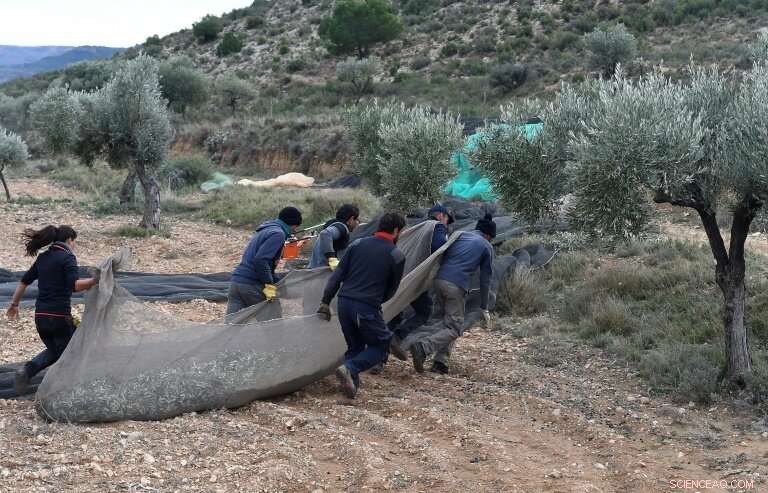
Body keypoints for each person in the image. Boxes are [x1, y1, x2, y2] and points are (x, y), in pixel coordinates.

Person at [317, 213, 406, 399]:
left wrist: (325, 301)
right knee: (381, 345)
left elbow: (337, 275)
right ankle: (350, 368)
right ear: (396, 230)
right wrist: (374, 302)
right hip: (366, 306)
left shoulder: (357, 244)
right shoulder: (396, 255)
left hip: (343, 303)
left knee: (355, 346)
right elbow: (391, 290)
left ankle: (350, 390)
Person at [5, 225, 99, 394]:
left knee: (56, 351)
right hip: (59, 317)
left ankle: (27, 372)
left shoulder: (43, 258)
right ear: (69, 240)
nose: (74, 245)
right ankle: (62, 389)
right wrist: (95, 281)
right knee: (74, 348)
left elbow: (23, 282)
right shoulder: (67, 258)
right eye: (74, 242)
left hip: (41, 317)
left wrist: (14, 304)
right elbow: (75, 286)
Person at [409, 213, 496, 375]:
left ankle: (440, 362)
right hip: (455, 286)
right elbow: (485, 279)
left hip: (439, 280)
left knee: (445, 321)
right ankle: (423, 347)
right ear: (488, 235)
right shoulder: (486, 246)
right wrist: (484, 306)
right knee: (455, 328)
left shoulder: (459, 235)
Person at [387, 204, 453, 361]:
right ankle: (397, 336)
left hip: (399, 275)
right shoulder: (437, 227)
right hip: (414, 279)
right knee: (424, 311)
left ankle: (378, 360)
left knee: (395, 313)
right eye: (447, 220)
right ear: (441, 216)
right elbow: (439, 246)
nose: (447, 224)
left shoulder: (419, 226)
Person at [227, 206, 302, 315]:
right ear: (292, 223)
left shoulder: (266, 229)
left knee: (232, 323)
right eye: (295, 227)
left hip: (236, 283)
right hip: (252, 285)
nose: (295, 231)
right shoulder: (278, 234)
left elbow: (265, 256)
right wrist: (269, 284)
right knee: (273, 321)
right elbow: (261, 260)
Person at [308, 204, 360, 269]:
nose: (358, 222)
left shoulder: (333, 225)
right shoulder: (341, 227)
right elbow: (325, 234)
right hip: (321, 271)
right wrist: (332, 258)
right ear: (351, 219)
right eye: (357, 219)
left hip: (314, 269)